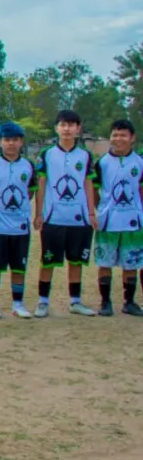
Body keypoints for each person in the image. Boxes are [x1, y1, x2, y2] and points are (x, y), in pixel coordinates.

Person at [33, 109, 98, 317]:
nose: (67, 128)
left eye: (71, 125)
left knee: (76, 261)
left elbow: (88, 184)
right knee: (48, 260)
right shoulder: (47, 154)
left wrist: (91, 213)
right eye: (63, 124)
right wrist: (39, 213)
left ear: (78, 129)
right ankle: (43, 302)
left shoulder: (86, 156)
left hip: (78, 219)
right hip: (54, 217)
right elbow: (41, 184)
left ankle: (75, 301)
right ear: (56, 128)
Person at [0, 122, 36, 318]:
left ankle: (18, 304)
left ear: (21, 142)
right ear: (1, 142)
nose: (11, 143)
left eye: (15, 140)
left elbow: (30, 192)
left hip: (20, 226)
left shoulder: (28, 165)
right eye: (7, 140)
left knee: (19, 266)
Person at [92, 119, 143, 316]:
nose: (118, 139)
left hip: (133, 222)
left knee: (131, 263)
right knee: (104, 262)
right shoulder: (101, 163)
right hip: (108, 221)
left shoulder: (139, 163)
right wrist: (100, 211)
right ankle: (105, 302)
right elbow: (95, 191)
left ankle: (129, 302)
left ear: (132, 138)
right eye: (115, 135)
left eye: (123, 135)